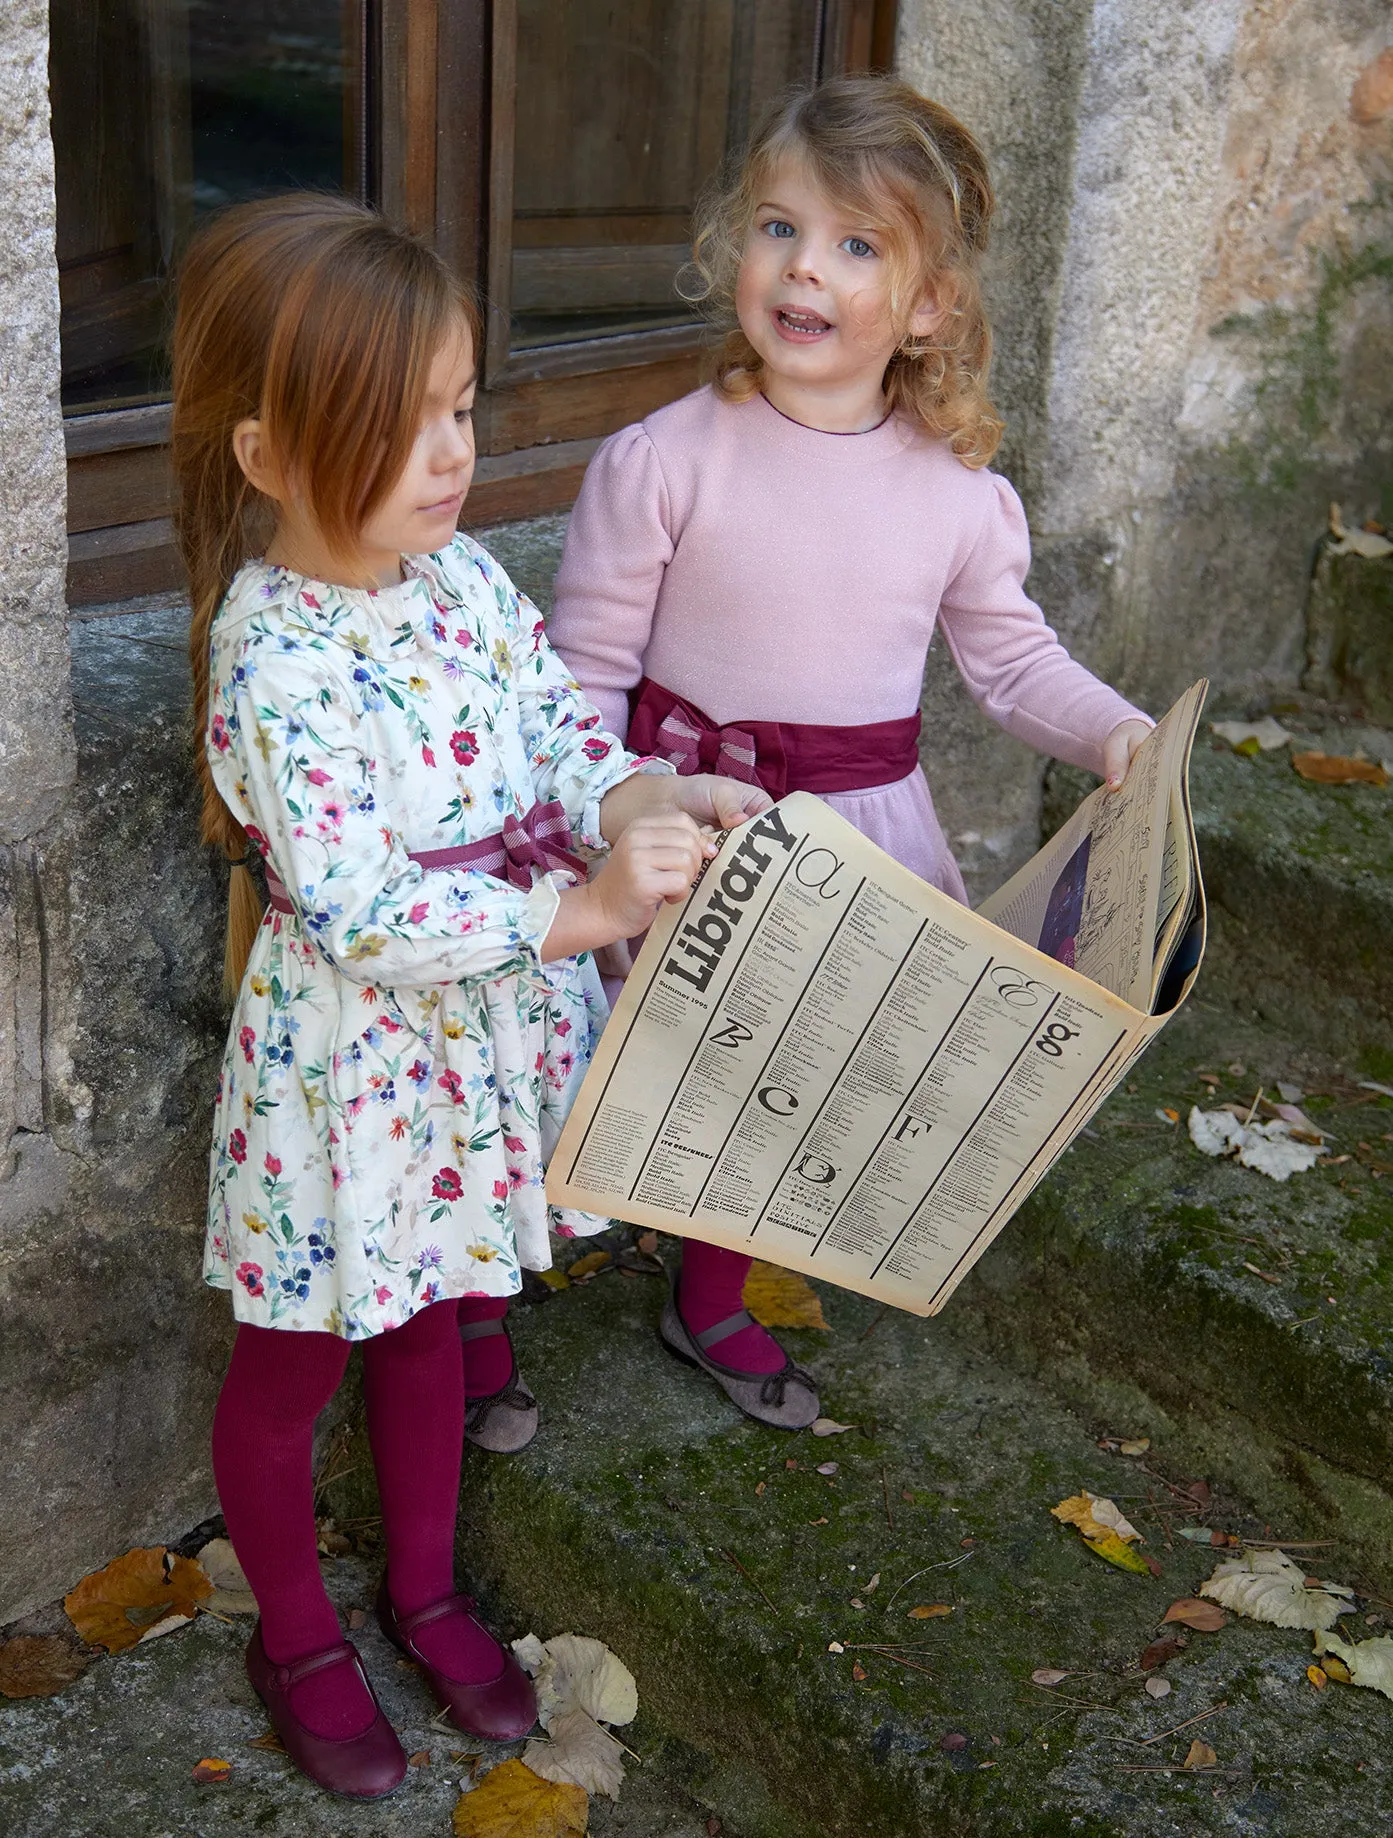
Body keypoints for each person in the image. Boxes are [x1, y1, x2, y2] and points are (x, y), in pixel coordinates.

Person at [174, 193, 766, 1798]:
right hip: (352, 1064)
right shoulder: (272, 657)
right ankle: (292, 1626)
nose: (450, 453)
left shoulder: (469, 583)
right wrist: (577, 908)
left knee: (437, 1316)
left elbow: (556, 740)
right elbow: (363, 906)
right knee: (294, 1356)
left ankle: (425, 1588)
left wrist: (643, 795)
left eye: (457, 409)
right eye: (398, 423)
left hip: (472, 1048)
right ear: (270, 457)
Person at [548, 76, 1153, 1432]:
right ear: (735, 250)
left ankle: (710, 1292)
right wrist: (616, 800)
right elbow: (573, 679)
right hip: (682, 818)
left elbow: (1012, 663)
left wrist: (1115, 728)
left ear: (931, 304)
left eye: (858, 244)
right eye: (778, 227)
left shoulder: (956, 496)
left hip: (857, 838)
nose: (804, 266)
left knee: (780, 1078)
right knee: (604, 1061)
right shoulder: (662, 462)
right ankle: (478, 1308)